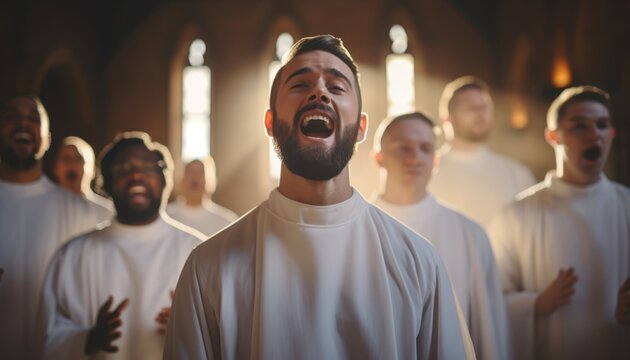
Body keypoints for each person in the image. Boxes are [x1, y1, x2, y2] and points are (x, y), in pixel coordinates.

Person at [164, 35, 475, 359]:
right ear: (270, 122)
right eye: (300, 85)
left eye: (337, 87)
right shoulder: (209, 267)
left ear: (360, 127)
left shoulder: (419, 262)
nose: (319, 92)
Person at [488, 86, 630, 359]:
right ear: (553, 136)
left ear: (611, 134)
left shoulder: (626, 206)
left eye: (602, 125)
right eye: (579, 127)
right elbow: (490, 300)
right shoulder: (516, 215)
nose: (594, 135)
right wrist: (535, 304)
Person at [37, 132, 204, 359]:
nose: (136, 175)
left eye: (147, 167)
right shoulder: (74, 255)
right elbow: (45, 338)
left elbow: (225, 332)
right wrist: (87, 339)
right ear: (105, 183)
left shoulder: (197, 252)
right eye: (123, 169)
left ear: (165, 178)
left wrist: (191, 327)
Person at [371, 111, 510, 360]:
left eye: (425, 148)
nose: (414, 158)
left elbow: (488, 332)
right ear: (378, 158)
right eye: (402, 148)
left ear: (435, 160)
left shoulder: (471, 235)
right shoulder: (360, 231)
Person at [0, 96, 112, 359]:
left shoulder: (82, 213)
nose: (23, 123)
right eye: (12, 116)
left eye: (33, 118)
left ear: (47, 139)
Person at [428, 76, 535, 229]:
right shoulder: (428, 172)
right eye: (470, 108)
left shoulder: (516, 173)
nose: (480, 113)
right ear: (447, 119)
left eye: (484, 107)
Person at [166, 157, 237, 237]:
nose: (195, 177)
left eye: (201, 172)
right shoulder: (166, 217)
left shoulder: (227, 221)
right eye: (190, 172)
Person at [54, 135, 114, 211]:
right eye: (66, 159)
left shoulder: (108, 213)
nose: (72, 164)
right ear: (55, 168)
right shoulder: (42, 207)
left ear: (93, 170)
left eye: (78, 159)